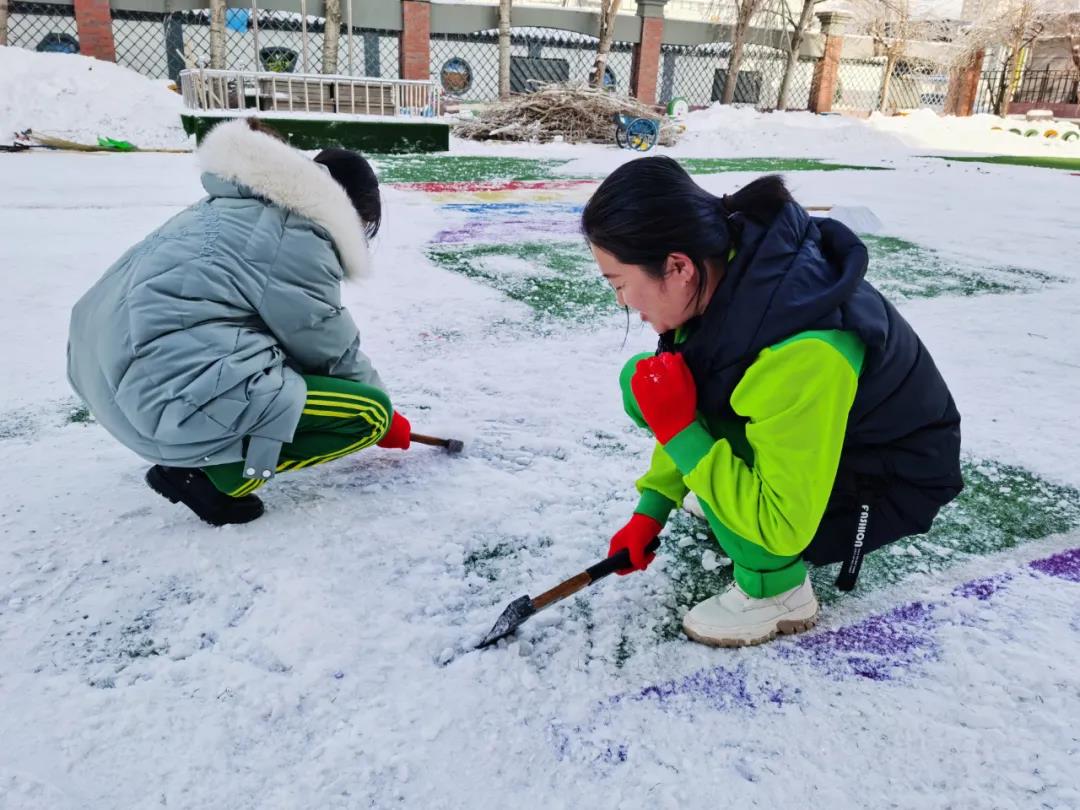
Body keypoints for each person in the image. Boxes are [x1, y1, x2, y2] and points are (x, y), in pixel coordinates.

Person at [581, 156, 963, 647]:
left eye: (620, 285)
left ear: (677, 266)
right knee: (652, 384)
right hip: (825, 448)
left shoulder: (800, 351)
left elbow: (779, 522)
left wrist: (680, 433)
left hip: (885, 480)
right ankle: (736, 497)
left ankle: (776, 591)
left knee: (706, 439)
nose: (622, 303)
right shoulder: (725, 273)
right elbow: (696, 397)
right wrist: (651, 509)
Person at [67, 118, 411, 526]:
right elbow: (324, 341)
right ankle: (211, 477)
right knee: (368, 412)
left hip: (108, 386)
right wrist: (388, 421)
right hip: (161, 394)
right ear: (353, 208)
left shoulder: (233, 206)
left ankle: (195, 456)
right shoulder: (296, 229)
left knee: (279, 367)